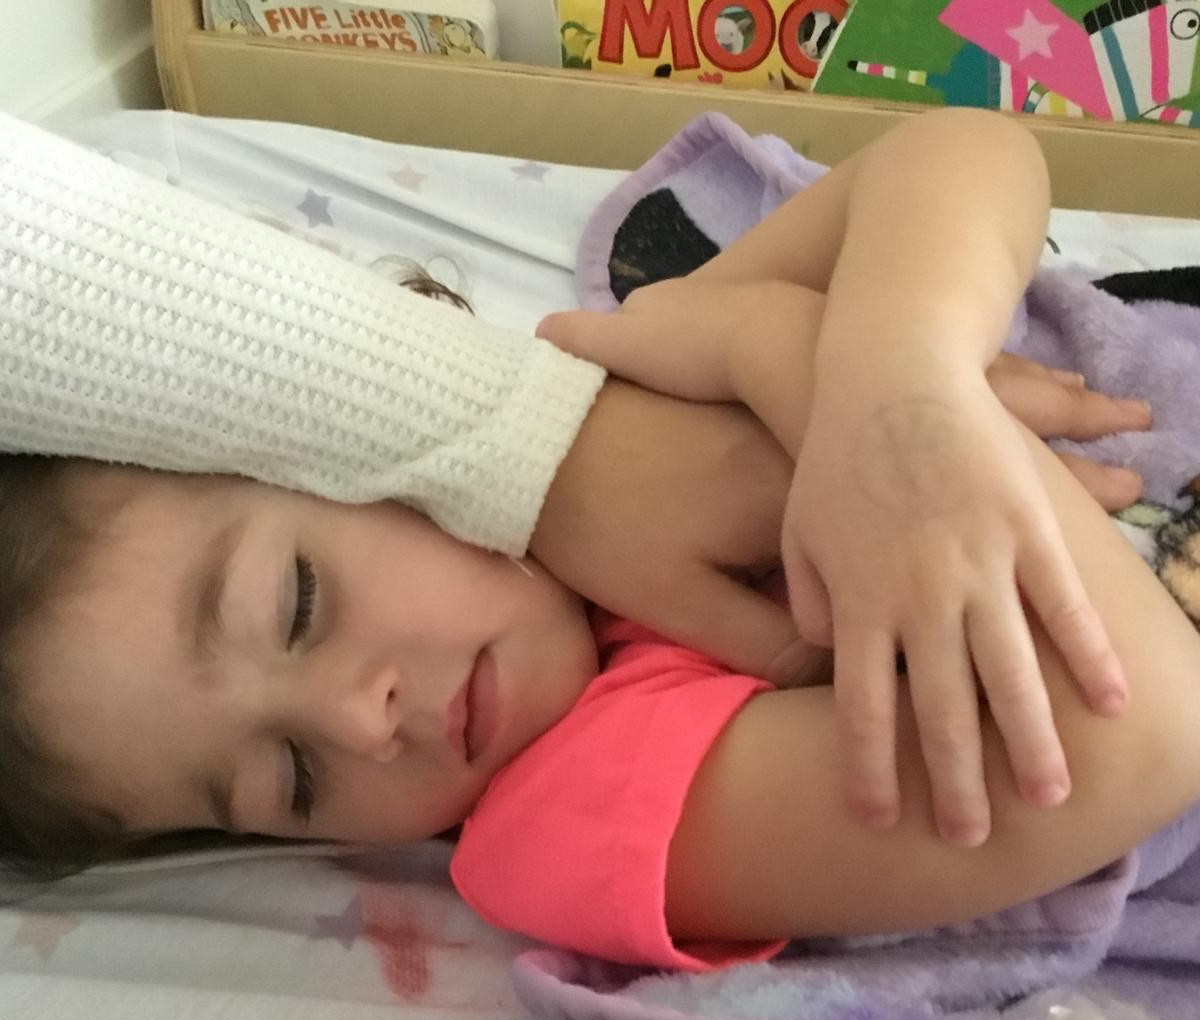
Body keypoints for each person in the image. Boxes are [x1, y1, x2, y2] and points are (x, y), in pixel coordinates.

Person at [0, 107, 1135, 845]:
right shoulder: (582, 814)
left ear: (348, 437)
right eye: (292, 782)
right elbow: (1124, 747)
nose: (358, 721)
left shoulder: (634, 379)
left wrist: (902, 382)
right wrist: (789, 351)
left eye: (298, 603)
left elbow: (969, 154)